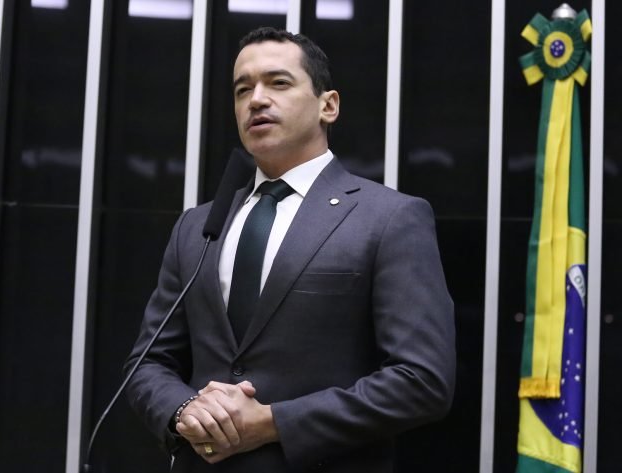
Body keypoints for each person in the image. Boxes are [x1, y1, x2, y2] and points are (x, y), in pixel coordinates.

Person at [124, 27, 455, 473]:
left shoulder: (389, 218)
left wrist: (272, 423)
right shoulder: (197, 226)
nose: (257, 99)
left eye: (278, 83)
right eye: (243, 89)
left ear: (328, 105)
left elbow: (422, 380)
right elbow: (148, 364)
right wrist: (185, 410)